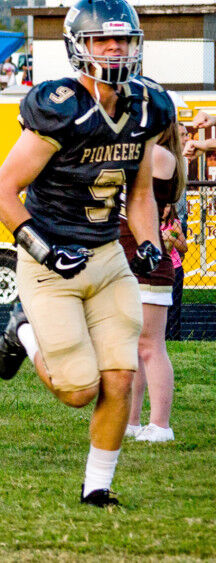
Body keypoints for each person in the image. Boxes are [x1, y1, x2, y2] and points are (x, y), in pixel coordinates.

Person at [0, 0, 173, 508]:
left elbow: (138, 195)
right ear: (78, 46)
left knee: (119, 375)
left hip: (108, 257)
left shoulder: (147, 106)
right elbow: (1, 192)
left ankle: (97, 487)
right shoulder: (60, 107)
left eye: (123, 39)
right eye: (102, 39)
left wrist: (152, 247)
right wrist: (44, 252)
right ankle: (23, 331)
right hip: (50, 264)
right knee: (78, 391)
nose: (114, 50)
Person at [123, 117, 186, 443]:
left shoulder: (159, 154)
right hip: (127, 262)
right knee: (133, 349)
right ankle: (132, 422)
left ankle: (160, 425)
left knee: (151, 347)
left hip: (149, 264)